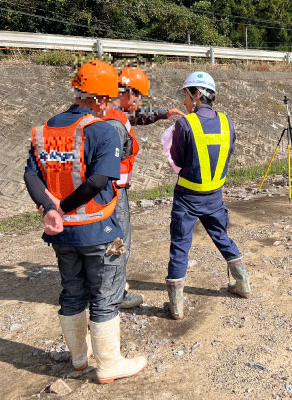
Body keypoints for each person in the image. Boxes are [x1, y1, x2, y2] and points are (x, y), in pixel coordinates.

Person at [23, 60, 146, 383]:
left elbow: (31, 176)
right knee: (104, 295)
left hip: (62, 234)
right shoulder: (102, 130)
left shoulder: (46, 130)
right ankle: (109, 365)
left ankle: (79, 357)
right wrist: (63, 207)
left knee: (72, 291)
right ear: (102, 99)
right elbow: (99, 180)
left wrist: (50, 210)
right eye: (109, 98)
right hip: (98, 230)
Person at [165, 71, 251, 320]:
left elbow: (177, 159)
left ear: (195, 94)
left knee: (180, 245)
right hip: (214, 196)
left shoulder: (185, 124)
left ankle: (177, 306)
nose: (184, 101)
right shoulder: (226, 122)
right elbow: (229, 151)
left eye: (185, 95)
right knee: (221, 236)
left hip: (187, 196)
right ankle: (242, 284)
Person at [103, 66, 184, 309]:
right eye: (139, 99)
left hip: (109, 189)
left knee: (108, 240)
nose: (139, 105)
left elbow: (137, 116)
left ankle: (106, 286)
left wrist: (163, 113)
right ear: (129, 94)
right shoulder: (114, 124)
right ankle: (115, 294)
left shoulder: (109, 112)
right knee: (118, 242)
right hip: (112, 191)